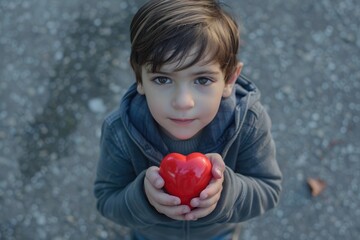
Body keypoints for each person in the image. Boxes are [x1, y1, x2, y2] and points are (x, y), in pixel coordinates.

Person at [94, 0, 282, 239]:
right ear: (139, 79)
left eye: (202, 80)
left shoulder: (248, 123)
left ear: (229, 80)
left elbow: (269, 191)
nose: (183, 102)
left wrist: (226, 192)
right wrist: (143, 197)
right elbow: (106, 200)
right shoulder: (120, 131)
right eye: (163, 79)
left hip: (217, 234)